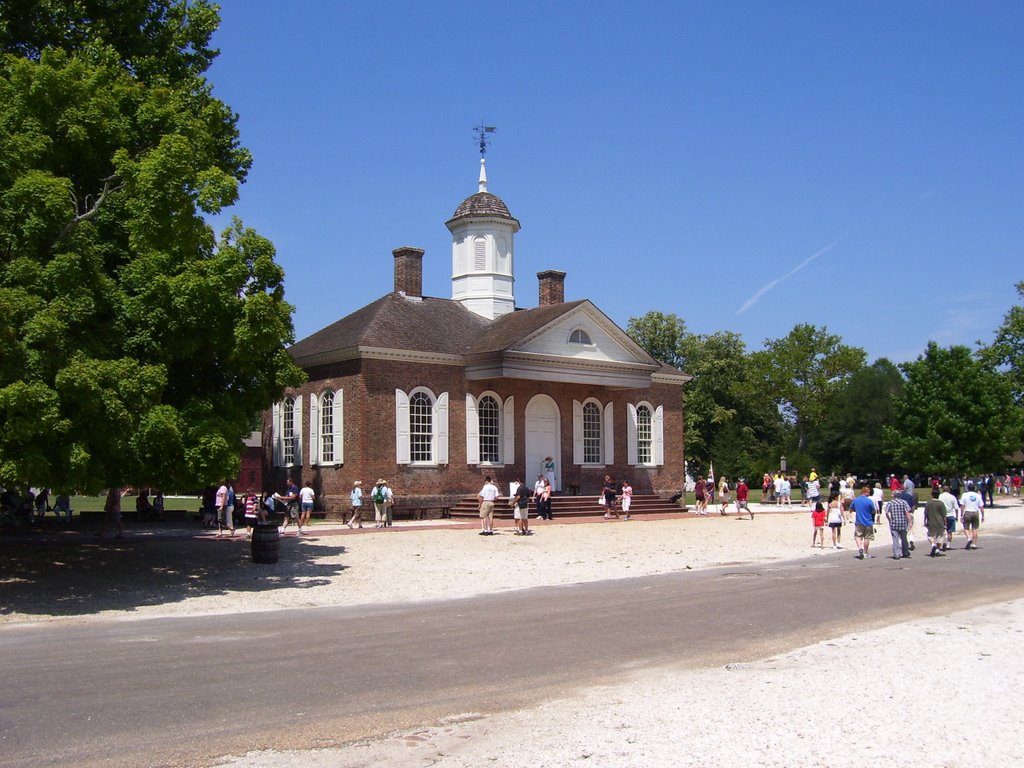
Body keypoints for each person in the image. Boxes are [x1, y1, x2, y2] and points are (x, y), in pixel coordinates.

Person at [851, 485, 876, 560]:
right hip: (868, 521)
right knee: (867, 537)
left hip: (859, 521)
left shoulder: (855, 500)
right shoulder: (869, 501)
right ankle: (865, 552)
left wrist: (858, 511)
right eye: (868, 492)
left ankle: (860, 548)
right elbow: (873, 511)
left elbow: (851, 509)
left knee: (858, 536)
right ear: (865, 492)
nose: (869, 493)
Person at [884, 492, 912, 560]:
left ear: (894, 496)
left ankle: (897, 554)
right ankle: (905, 552)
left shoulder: (890, 503)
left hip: (894, 523)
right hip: (903, 523)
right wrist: (910, 521)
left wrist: (889, 519)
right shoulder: (904, 502)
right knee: (904, 538)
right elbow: (907, 512)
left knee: (895, 539)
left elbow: (886, 512)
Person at [959, 482, 984, 550]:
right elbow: (981, 506)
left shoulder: (965, 495)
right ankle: (974, 544)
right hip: (975, 512)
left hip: (967, 512)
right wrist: (983, 515)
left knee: (966, 528)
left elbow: (962, 505)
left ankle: (969, 538)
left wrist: (961, 515)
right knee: (974, 528)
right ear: (974, 488)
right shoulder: (978, 495)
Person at [925, 487, 948, 557]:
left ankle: (933, 545)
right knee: (940, 536)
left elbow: (925, 513)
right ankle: (937, 549)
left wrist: (925, 521)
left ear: (932, 495)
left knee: (930, 536)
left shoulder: (928, 503)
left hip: (931, 522)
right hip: (940, 522)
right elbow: (944, 515)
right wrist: (945, 522)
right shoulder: (941, 503)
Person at [938, 484, 959, 552]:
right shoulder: (952, 497)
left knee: (942, 531)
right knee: (949, 531)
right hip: (951, 515)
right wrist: (957, 516)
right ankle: (948, 544)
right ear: (949, 490)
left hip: (942, 515)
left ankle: (942, 542)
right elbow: (956, 508)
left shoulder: (940, 496)